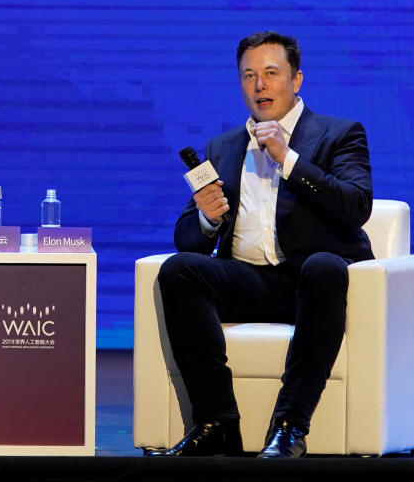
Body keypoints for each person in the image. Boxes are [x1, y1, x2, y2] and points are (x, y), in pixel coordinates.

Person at [149, 31, 374, 458]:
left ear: (297, 79)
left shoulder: (339, 134)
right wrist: (208, 218)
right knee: (179, 270)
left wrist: (288, 160)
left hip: (312, 286)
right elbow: (185, 238)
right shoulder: (225, 146)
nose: (260, 85)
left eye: (271, 73)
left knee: (325, 266)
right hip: (250, 282)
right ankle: (216, 422)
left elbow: (356, 206)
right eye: (249, 75)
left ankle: (290, 427)